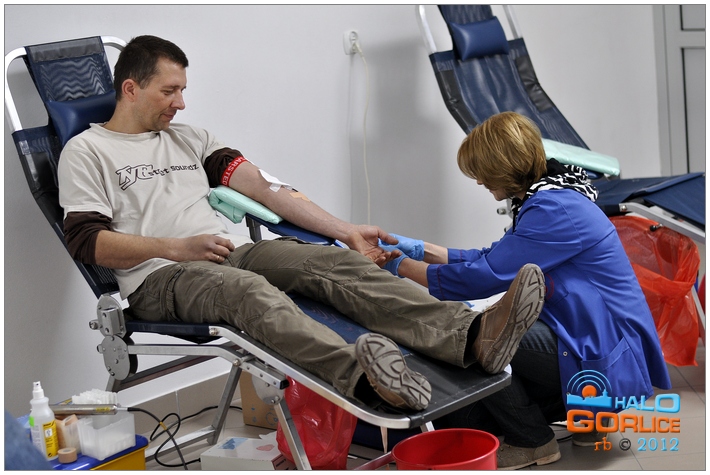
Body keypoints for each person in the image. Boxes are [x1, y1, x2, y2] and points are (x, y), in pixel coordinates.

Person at [57, 35, 545, 413]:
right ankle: (367, 379)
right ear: (131, 88)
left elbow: (266, 189)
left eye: (183, 90)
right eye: (169, 91)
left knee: (331, 263)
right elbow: (87, 243)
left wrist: (345, 230)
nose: (180, 103)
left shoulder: (191, 138)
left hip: (228, 251)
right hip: (161, 277)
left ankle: (470, 335)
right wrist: (178, 248)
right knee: (247, 292)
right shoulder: (87, 151)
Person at [380, 111, 671, 468]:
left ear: (503, 165)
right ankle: (590, 417)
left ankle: (532, 440)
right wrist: (419, 249)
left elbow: (486, 274)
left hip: (609, 353)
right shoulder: (552, 195)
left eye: (481, 172)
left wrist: (397, 265)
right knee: (476, 404)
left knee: (472, 341)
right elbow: (492, 257)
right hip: (600, 337)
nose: (478, 181)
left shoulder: (553, 209)